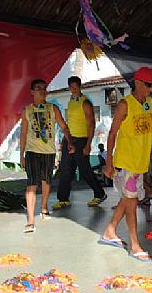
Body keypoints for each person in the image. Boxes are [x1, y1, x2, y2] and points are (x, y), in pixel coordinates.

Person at [100, 66, 152, 262]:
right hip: (126, 163)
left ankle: (110, 232)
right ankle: (135, 246)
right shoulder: (125, 105)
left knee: (127, 199)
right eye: (149, 85)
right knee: (132, 202)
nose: (151, 90)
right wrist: (109, 163)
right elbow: (112, 134)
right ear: (138, 83)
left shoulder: (151, 104)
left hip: (140, 164)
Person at [20, 79, 73, 233]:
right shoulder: (27, 111)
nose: (42, 91)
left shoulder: (53, 108)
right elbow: (23, 134)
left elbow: (63, 125)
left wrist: (69, 141)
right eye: (38, 88)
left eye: (44, 88)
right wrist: (22, 155)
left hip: (49, 151)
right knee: (31, 184)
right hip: (32, 151)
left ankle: (44, 207)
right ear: (32, 92)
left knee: (46, 181)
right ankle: (30, 220)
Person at [53, 76, 107, 210]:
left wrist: (88, 144)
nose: (74, 89)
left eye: (76, 86)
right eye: (71, 87)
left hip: (82, 140)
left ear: (80, 86)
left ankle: (99, 194)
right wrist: (65, 140)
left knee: (85, 170)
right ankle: (63, 199)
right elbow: (69, 122)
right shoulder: (71, 101)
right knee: (65, 169)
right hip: (70, 139)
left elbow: (91, 124)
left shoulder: (85, 103)